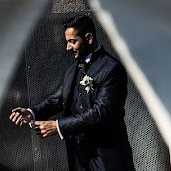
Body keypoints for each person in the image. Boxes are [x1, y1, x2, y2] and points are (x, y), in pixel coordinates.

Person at [9, 15, 135, 171]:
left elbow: (101, 112)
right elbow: (59, 99)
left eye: (72, 41)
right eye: (67, 41)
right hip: (80, 159)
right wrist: (31, 113)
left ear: (89, 38)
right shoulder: (72, 70)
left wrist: (58, 126)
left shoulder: (111, 69)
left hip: (107, 159)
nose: (67, 47)